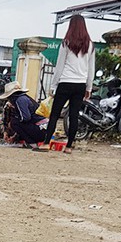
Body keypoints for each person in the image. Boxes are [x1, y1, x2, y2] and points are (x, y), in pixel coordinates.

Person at [41, 14, 95, 153]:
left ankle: (47, 143)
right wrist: (89, 87)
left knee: (55, 114)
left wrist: (53, 86)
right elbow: (91, 68)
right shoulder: (90, 45)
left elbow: (59, 66)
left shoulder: (66, 43)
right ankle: (69, 146)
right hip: (80, 85)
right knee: (74, 115)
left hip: (65, 82)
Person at [0, 81, 46, 147]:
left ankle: (32, 143)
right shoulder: (24, 98)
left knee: (14, 122)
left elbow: (26, 118)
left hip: (41, 130)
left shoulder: (20, 100)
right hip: (42, 129)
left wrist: (14, 122)